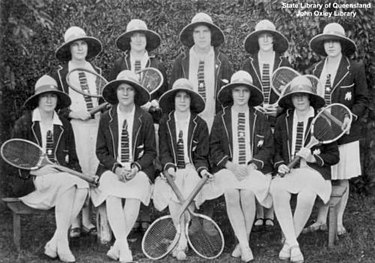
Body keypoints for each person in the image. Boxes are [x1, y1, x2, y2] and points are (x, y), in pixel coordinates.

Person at [12, 75, 90, 262]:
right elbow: (10, 160)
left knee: (83, 186)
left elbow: (73, 160)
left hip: (61, 185)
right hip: (31, 185)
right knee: (69, 183)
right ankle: (62, 245)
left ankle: (56, 241)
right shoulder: (25, 123)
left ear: (57, 100)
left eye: (53, 96)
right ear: (37, 99)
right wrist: (34, 171)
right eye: (44, 96)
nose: (48, 100)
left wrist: (80, 175)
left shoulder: (64, 124)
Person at [304, 22, 369, 235]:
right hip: (322, 133)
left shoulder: (355, 68)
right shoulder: (314, 70)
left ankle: (338, 221)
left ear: (342, 44)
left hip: (346, 132)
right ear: (323, 45)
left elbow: (362, 99)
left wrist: (351, 116)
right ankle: (321, 219)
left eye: (335, 41)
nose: (331, 45)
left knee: (342, 176)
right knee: (323, 174)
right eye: (327, 42)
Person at [170, 11, 233, 226]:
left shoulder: (222, 61)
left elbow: (228, 96)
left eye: (205, 31)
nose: (202, 36)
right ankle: (190, 212)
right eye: (197, 32)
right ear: (192, 35)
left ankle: (208, 215)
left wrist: (221, 121)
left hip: (214, 120)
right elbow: (174, 92)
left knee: (212, 165)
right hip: (190, 121)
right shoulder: (182, 61)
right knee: (191, 164)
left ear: (212, 35)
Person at [270, 75, 340, 262]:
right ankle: (293, 244)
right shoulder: (282, 120)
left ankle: (288, 243)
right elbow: (275, 151)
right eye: (296, 95)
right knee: (277, 189)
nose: (300, 99)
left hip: (314, 175)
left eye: (304, 95)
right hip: (291, 173)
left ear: (310, 98)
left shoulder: (323, 121)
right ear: (291, 99)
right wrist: (280, 164)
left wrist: (313, 158)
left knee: (307, 196)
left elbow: (334, 156)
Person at [51, 26, 110, 241]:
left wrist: (100, 112)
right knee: (77, 170)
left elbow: (103, 101)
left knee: (93, 168)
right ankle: (75, 221)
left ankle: (88, 220)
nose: (79, 48)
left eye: (83, 44)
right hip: (72, 128)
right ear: (68, 48)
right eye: (75, 44)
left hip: (94, 128)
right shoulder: (59, 74)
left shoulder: (97, 72)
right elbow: (55, 105)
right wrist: (75, 113)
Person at [109, 19, 168, 232]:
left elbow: (165, 98)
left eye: (142, 36)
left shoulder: (158, 65)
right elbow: (112, 96)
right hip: (126, 123)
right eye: (134, 36)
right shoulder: (119, 65)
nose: (138, 40)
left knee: (147, 166)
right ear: (128, 40)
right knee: (125, 162)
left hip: (149, 124)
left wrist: (155, 104)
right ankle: (128, 220)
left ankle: (144, 217)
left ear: (147, 40)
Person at [209, 70, 274, 262]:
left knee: (247, 194)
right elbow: (214, 148)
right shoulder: (221, 118)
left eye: (244, 91)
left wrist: (252, 166)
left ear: (250, 94)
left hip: (252, 169)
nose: (240, 95)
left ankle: (242, 243)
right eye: (236, 90)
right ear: (231, 93)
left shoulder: (259, 118)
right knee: (231, 193)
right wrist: (230, 165)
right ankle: (246, 246)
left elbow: (268, 147)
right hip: (230, 169)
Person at [93, 70, 156, 262]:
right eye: (122, 89)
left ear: (136, 93)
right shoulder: (106, 117)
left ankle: (118, 245)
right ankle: (124, 247)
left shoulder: (145, 118)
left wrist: (136, 167)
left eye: (130, 89)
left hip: (138, 169)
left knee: (134, 194)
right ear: (116, 92)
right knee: (112, 194)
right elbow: (101, 151)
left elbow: (151, 152)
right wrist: (117, 169)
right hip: (113, 169)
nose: (126, 93)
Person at [153, 78, 214, 260]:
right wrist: (169, 167)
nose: (182, 100)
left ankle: (181, 240)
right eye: (178, 96)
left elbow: (201, 155)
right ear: (173, 100)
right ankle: (182, 237)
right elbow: (163, 151)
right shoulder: (166, 122)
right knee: (172, 193)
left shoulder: (200, 124)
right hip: (172, 170)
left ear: (191, 100)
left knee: (189, 191)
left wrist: (202, 170)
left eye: (186, 97)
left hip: (191, 169)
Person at [242, 19, 292, 228]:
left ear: (274, 39)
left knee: (272, 160)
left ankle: (270, 212)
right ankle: (258, 211)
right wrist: (255, 108)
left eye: (268, 36)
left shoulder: (284, 64)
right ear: (256, 40)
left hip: (277, 120)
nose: (264, 40)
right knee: (257, 160)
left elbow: (291, 96)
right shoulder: (248, 64)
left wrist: (279, 108)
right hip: (255, 121)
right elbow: (243, 93)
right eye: (261, 36)